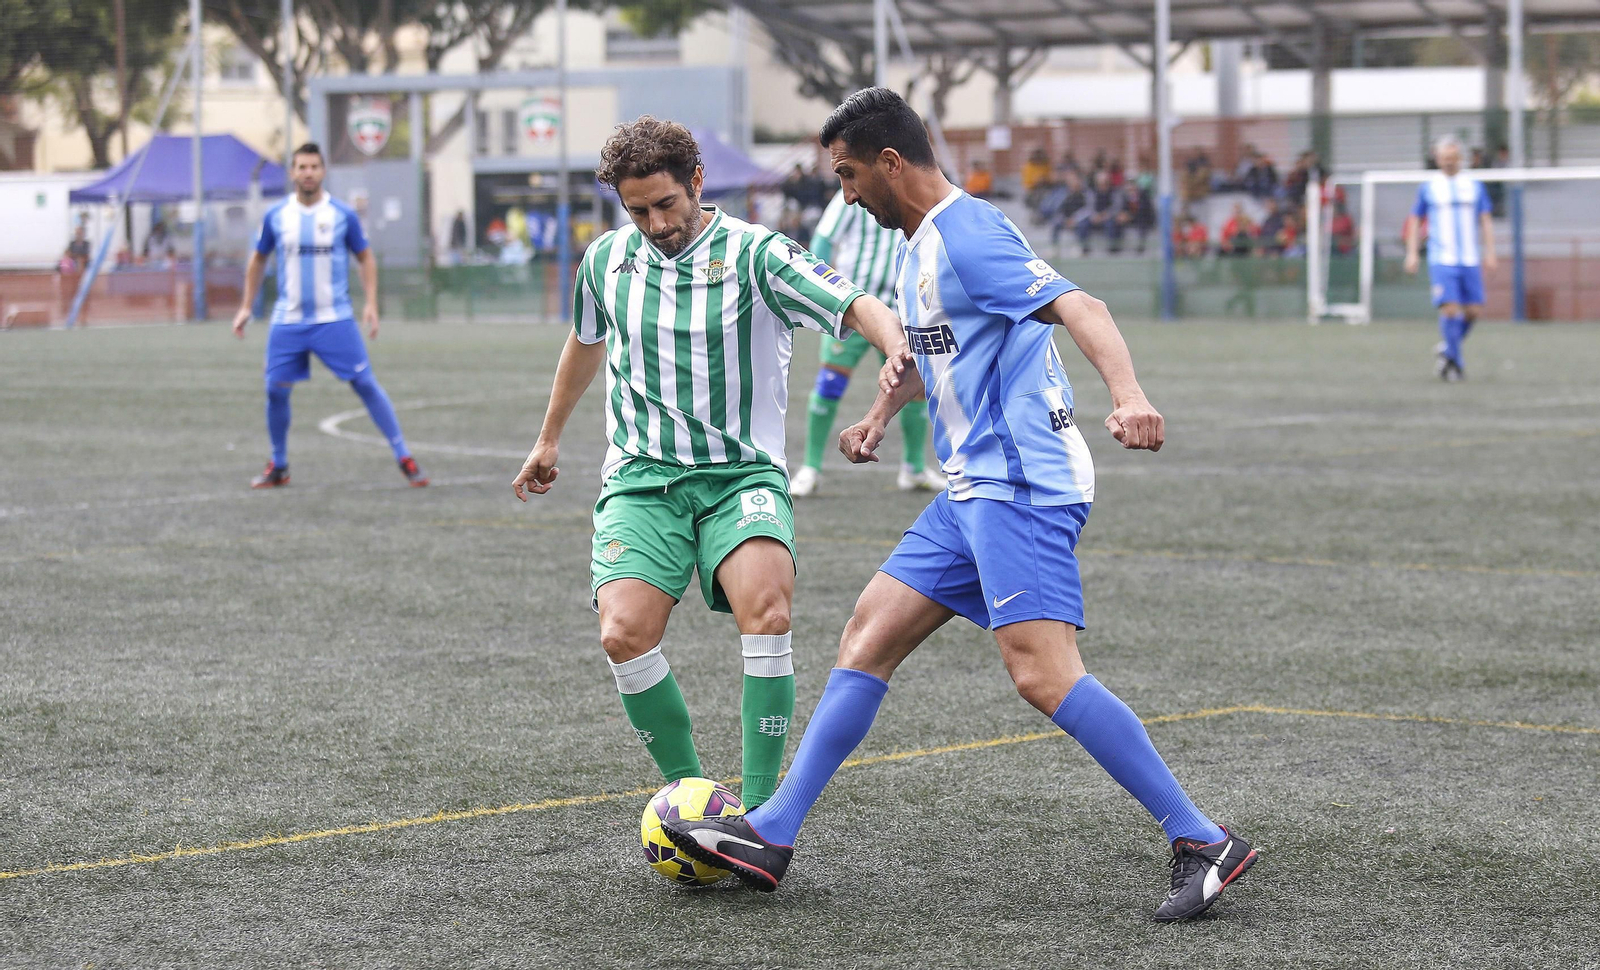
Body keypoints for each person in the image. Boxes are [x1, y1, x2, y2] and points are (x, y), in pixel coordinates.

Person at [662, 87, 1256, 923]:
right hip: (971, 487)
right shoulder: (919, 244)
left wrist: (1127, 395)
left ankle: (1203, 839)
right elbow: (932, 355)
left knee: (1041, 674)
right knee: (869, 631)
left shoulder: (969, 233)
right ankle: (775, 833)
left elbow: (1083, 306)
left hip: (1020, 487)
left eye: (849, 175)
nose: (846, 194)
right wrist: (877, 415)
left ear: (891, 163)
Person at [510, 116, 909, 809]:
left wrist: (893, 347)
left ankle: (760, 815)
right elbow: (584, 341)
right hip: (642, 479)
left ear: (696, 182)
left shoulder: (758, 254)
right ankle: (692, 800)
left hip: (740, 477)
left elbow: (854, 304)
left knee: (769, 611)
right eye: (637, 210)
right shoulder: (606, 260)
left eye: (666, 204)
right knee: (622, 632)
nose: (655, 222)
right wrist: (548, 438)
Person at [232, 143, 428, 489]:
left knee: (365, 383)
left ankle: (404, 456)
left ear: (322, 172)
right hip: (288, 321)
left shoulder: (342, 215)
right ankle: (278, 464)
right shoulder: (277, 216)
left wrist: (370, 303)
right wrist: (247, 305)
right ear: (292, 173)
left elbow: (366, 257)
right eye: (301, 167)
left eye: (313, 167)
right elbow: (259, 259)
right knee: (275, 390)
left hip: (334, 319)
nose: (307, 173)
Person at [792, 189, 942, 498]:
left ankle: (913, 468)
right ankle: (810, 468)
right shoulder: (854, 192)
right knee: (830, 383)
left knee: (913, 387)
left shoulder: (913, 191)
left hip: (902, 311)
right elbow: (823, 240)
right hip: (855, 310)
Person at [1404, 135, 1495, 381]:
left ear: (1461, 159)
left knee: (1474, 311)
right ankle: (1455, 363)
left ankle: (1447, 349)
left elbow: (1485, 220)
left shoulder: (1474, 186)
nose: (1449, 163)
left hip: (1469, 258)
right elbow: (1415, 220)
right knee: (1451, 309)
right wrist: (1412, 253)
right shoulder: (1429, 186)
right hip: (1442, 257)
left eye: (1453, 158)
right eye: (1444, 158)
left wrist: (1490, 251)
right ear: (1437, 158)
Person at [1074, 170, 1126, 254]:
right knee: (1082, 225)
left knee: (1111, 225)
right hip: (1095, 217)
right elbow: (1089, 206)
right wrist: (1094, 215)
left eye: (1105, 182)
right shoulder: (1092, 192)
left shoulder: (1115, 192)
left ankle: (1112, 249)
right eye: (1100, 183)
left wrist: (1106, 215)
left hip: (1109, 217)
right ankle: (1084, 248)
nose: (1103, 185)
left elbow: (1116, 207)